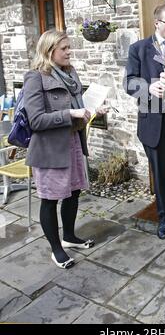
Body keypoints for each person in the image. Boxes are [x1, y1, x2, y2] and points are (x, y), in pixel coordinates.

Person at [24, 30, 107, 269]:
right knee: (50, 200)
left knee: (73, 193)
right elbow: (36, 120)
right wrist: (69, 113)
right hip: (49, 150)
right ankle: (56, 249)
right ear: (49, 52)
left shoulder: (70, 74)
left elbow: (80, 109)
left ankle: (69, 237)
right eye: (64, 49)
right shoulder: (35, 78)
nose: (70, 52)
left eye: (69, 47)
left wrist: (94, 111)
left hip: (72, 143)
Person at [124, 4, 165, 239]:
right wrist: (149, 87)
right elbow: (129, 82)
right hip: (154, 122)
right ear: (157, 23)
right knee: (160, 174)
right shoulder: (138, 49)